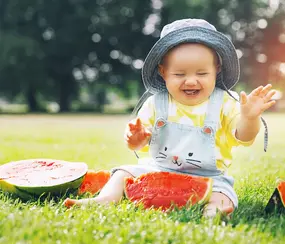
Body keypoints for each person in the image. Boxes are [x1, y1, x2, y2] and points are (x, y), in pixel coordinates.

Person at [64, 18, 276, 217]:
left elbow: (243, 136)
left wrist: (249, 118)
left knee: (222, 193)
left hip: (209, 177)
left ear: (217, 70)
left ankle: (214, 212)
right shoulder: (156, 103)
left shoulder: (225, 104)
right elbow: (140, 141)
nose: (191, 81)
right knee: (122, 173)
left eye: (202, 74)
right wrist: (136, 139)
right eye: (179, 74)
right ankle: (105, 198)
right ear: (163, 72)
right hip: (157, 169)